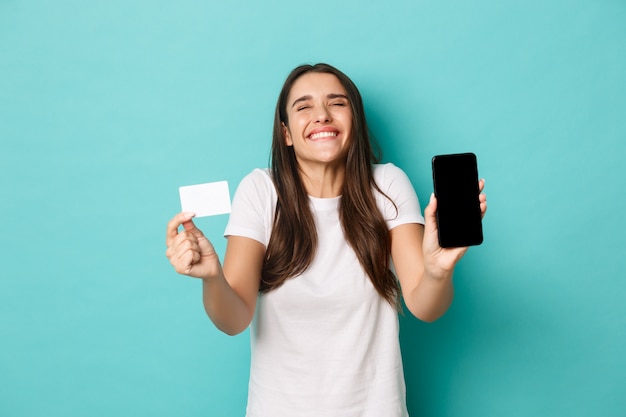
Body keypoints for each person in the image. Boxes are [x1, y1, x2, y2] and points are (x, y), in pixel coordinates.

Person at [165, 63, 487, 417]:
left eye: (337, 103)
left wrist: (437, 271)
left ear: (355, 121)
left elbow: (426, 308)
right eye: (304, 107)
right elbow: (234, 319)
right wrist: (212, 278)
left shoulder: (388, 185)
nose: (321, 115)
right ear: (286, 133)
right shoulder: (260, 190)